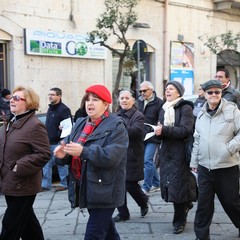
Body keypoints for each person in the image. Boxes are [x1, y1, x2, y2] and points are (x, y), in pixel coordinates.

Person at [54, 84, 129, 239]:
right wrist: (63, 154)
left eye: (95, 100)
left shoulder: (116, 125)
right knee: (108, 232)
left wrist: (83, 151)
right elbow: (69, 146)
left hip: (106, 189)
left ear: (106, 104)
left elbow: (111, 157)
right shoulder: (81, 123)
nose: (90, 103)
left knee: (93, 234)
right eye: (87, 100)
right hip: (86, 186)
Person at [190, 80, 240, 240]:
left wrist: (229, 148)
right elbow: (196, 139)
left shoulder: (232, 111)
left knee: (231, 202)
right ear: (204, 94)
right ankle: (201, 236)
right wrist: (194, 162)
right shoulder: (201, 115)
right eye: (210, 92)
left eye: (217, 92)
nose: (213, 95)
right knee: (204, 204)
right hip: (205, 167)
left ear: (221, 93)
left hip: (227, 166)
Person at [0, 86, 51, 240]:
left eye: (17, 98)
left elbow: (44, 154)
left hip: (23, 184)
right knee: (29, 226)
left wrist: (19, 166)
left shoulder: (35, 125)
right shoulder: (8, 123)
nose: (11, 101)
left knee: (10, 226)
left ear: (28, 103)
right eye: (11, 98)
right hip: (8, 181)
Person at [155, 80, 197, 234]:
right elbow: (161, 130)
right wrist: (157, 133)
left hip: (180, 152)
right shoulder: (164, 108)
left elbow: (185, 130)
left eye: (171, 88)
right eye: (166, 88)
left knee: (178, 185)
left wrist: (164, 130)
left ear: (179, 92)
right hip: (166, 152)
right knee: (171, 185)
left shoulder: (185, 107)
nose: (167, 90)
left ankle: (179, 221)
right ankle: (186, 204)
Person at [113, 90, 149, 222]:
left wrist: (119, 127)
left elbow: (136, 131)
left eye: (127, 98)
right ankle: (123, 213)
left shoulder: (138, 115)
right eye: (121, 98)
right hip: (117, 154)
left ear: (133, 100)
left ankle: (143, 201)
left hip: (132, 154)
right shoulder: (115, 115)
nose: (124, 100)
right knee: (117, 184)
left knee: (130, 184)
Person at [41, 87, 72, 192]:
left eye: (53, 94)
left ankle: (64, 183)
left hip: (58, 142)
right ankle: (45, 185)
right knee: (46, 163)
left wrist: (62, 139)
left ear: (59, 96)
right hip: (47, 141)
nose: (50, 96)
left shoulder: (64, 109)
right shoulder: (50, 108)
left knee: (61, 163)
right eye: (49, 94)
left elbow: (68, 127)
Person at [137, 81, 163, 195]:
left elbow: (161, 119)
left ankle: (146, 187)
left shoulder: (159, 102)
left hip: (152, 136)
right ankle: (157, 183)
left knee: (148, 160)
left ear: (151, 90)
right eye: (140, 91)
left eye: (144, 91)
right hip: (141, 135)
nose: (142, 93)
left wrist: (159, 126)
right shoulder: (139, 101)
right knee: (146, 162)